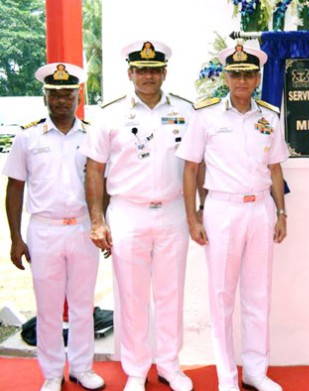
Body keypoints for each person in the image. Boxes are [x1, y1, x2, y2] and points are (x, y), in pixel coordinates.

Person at [80, 40, 194, 391]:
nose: (147, 76)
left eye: (154, 70)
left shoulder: (186, 111)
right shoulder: (110, 114)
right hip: (128, 213)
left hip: (173, 212)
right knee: (131, 295)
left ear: (164, 73)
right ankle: (135, 369)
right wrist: (97, 220)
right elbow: (94, 170)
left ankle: (169, 365)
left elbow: (196, 165)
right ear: (130, 73)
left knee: (171, 293)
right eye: (141, 70)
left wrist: (198, 211)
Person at [177, 43, 289, 391]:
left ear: (257, 77)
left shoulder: (268, 116)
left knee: (258, 295)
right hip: (221, 210)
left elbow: (275, 167)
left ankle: (255, 371)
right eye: (235, 73)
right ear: (226, 77)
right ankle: (227, 378)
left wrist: (282, 211)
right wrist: (192, 217)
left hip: (260, 209)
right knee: (222, 296)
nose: (242, 80)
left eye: (248, 74)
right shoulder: (206, 115)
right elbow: (190, 168)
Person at [4, 63, 105, 391]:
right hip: (44, 230)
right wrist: (16, 238)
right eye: (55, 94)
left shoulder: (92, 135)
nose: (62, 99)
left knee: (82, 304)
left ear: (78, 96)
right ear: (45, 96)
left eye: (68, 93)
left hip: (82, 229)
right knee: (47, 306)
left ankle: (81, 368)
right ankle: (50, 373)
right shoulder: (27, 136)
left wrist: (103, 226)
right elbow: (15, 187)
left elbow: (104, 185)